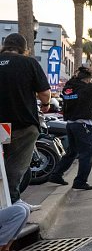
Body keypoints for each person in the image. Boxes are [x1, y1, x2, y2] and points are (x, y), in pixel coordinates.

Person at [0, 32, 51, 208]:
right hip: (22, 124)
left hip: (1, 125)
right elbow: (44, 93)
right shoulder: (29, 63)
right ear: (24, 49)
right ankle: (13, 203)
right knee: (16, 166)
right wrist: (45, 105)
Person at [48, 65, 92, 190]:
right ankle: (80, 181)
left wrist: (79, 74)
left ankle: (56, 174)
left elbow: (74, 80)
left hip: (71, 124)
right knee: (88, 152)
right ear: (89, 78)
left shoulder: (69, 87)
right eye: (91, 78)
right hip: (83, 125)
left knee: (73, 152)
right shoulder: (88, 89)